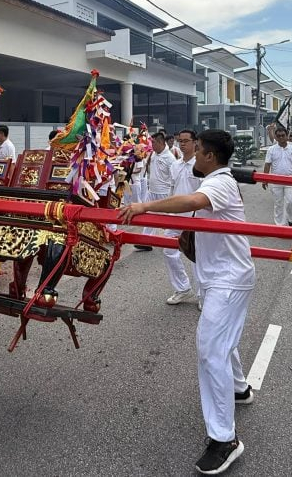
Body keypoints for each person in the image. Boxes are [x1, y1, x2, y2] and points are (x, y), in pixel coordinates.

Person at [119, 130, 255, 475]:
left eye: (197, 152)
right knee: (222, 341)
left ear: (209, 156)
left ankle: (225, 439)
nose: (192, 157)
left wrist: (144, 206)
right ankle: (238, 389)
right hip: (216, 276)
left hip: (229, 279)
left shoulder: (220, 183)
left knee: (210, 349)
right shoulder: (211, 177)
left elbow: (193, 203)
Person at [161, 129, 200, 305]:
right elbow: (172, 189)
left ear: (195, 142)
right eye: (180, 141)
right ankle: (183, 288)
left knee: (197, 257)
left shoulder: (200, 165)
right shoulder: (175, 165)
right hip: (175, 217)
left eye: (186, 141)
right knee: (168, 251)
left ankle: (203, 295)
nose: (182, 144)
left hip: (195, 219)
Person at [134, 131, 176, 252]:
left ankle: (176, 238)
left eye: (153, 143)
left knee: (169, 218)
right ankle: (146, 240)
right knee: (149, 215)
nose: (151, 145)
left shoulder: (170, 158)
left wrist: (173, 194)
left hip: (164, 193)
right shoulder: (153, 154)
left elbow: (174, 177)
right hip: (152, 191)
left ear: (161, 143)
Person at [262, 127, 292, 226]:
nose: (281, 137)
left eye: (283, 135)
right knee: (278, 203)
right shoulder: (271, 150)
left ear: (287, 135)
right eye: (278, 136)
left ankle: (291, 221)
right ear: (275, 136)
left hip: (290, 181)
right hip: (276, 181)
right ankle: (280, 225)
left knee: (291, 202)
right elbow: (267, 164)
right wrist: (264, 180)